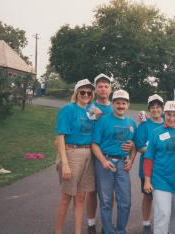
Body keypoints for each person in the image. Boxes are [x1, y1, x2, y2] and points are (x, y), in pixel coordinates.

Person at [91, 89, 137, 234]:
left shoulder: (131, 123)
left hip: (123, 164)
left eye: (124, 103)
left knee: (125, 202)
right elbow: (94, 144)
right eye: (118, 103)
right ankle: (108, 231)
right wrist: (103, 161)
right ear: (113, 104)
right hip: (106, 162)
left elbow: (134, 145)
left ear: (128, 105)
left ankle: (121, 230)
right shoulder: (103, 120)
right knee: (105, 201)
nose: (121, 106)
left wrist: (132, 159)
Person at [54, 79, 96, 234]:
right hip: (72, 153)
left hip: (88, 154)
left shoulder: (91, 111)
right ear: (76, 92)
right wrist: (64, 163)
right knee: (66, 197)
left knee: (80, 198)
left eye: (89, 92)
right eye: (82, 91)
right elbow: (60, 137)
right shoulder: (68, 109)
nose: (85, 94)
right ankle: (58, 231)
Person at [143, 100, 175, 234]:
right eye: (169, 114)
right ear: (164, 114)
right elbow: (148, 157)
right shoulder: (156, 132)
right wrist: (147, 180)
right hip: (161, 180)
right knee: (162, 214)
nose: (172, 118)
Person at [86, 73, 113, 234]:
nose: (103, 89)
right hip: (92, 152)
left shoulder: (114, 106)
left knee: (110, 192)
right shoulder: (89, 107)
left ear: (110, 89)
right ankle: (91, 223)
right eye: (100, 86)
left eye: (106, 86)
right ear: (96, 89)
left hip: (110, 153)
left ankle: (107, 223)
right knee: (92, 189)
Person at [135, 94, 164, 234]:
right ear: (148, 109)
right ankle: (146, 223)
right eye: (152, 107)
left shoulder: (168, 124)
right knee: (147, 196)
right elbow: (140, 147)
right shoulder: (144, 126)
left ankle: (161, 223)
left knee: (162, 197)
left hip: (164, 168)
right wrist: (157, 148)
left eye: (158, 107)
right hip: (147, 168)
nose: (155, 109)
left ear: (162, 109)